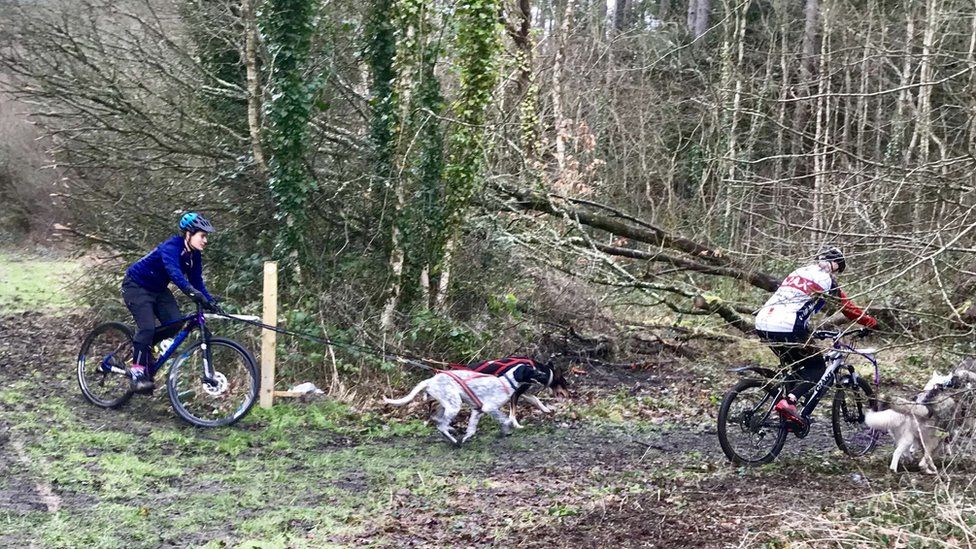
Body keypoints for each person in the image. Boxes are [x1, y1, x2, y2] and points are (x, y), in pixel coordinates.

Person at [754, 247, 878, 424]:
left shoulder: (798, 272)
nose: (837, 273)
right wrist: (871, 323)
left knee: (797, 365)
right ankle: (789, 402)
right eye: (838, 268)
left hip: (763, 322)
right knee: (817, 367)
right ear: (833, 264)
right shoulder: (826, 280)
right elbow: (848, 308)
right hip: (787, 325)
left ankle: (785, 411)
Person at [121, 212, 216, 393]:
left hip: (157, 289)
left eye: (206, 237)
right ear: (189, 234)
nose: (205, 240)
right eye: (202, 236)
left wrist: (210, 302)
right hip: (135, 286)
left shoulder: (194, 255)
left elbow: (197, 282)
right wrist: (192, 293)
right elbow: (175, 274)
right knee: (147, 328)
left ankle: (143, 347)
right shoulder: (171, 247)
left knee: (175, 323)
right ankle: (137, 372)